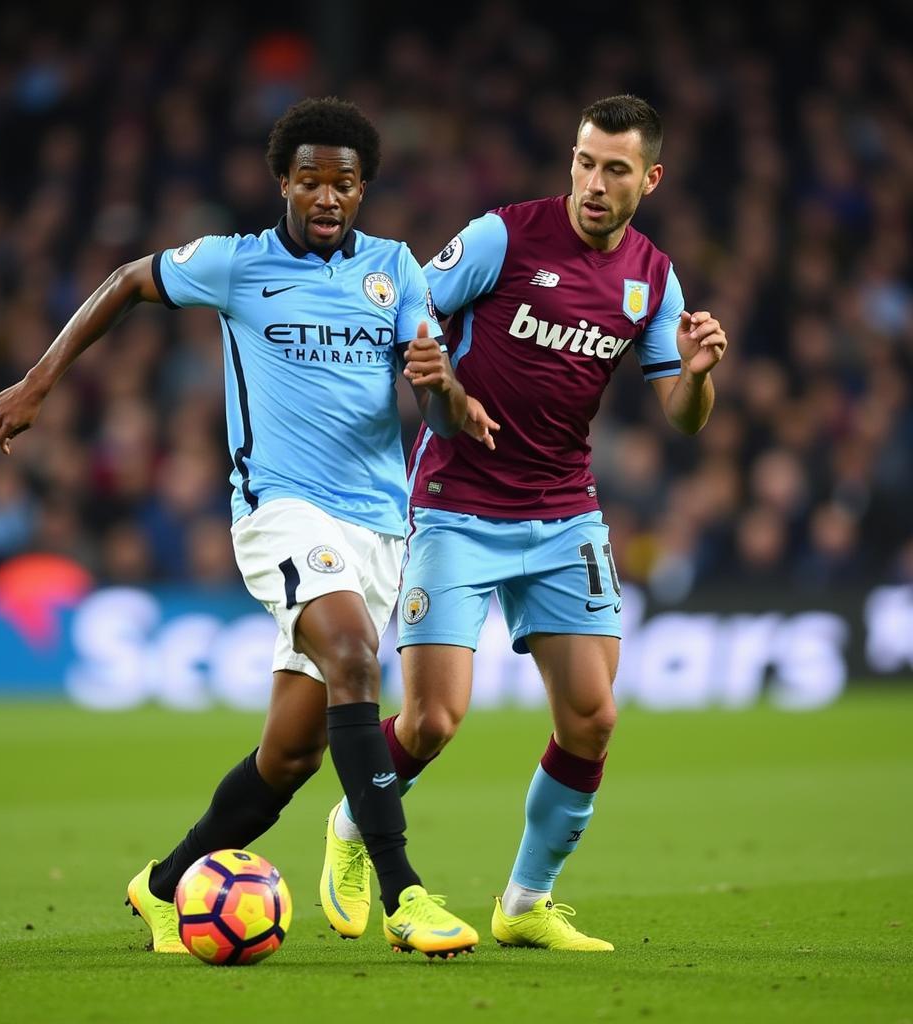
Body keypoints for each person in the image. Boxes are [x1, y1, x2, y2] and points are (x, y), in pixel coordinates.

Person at [0, 97, 481, 959]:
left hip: (379, 528)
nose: (326, 197)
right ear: (282, 180)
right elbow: (128, 280)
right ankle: (405, 892)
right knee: (355, 656)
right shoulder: (236, 265)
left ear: (364, 191)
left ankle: (165, 885)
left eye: (343, 184)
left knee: (291, 755)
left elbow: (438, 405)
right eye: (310, 179)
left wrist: (440, 383)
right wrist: (39, 382)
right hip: (280, 511)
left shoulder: (395, 270)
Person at [320, 94, 729, 952]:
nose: (593, 181)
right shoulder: (504, 236)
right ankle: (354, 829)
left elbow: (682, 416)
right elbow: (407, 311)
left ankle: (525, 902)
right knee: (432, 722)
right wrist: (439, 382)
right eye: (584, 161)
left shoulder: (653, 277)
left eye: (615, 169)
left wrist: (693, 376)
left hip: (563, 514)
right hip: (457, 509)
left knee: (593, 717)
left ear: (648, 179)